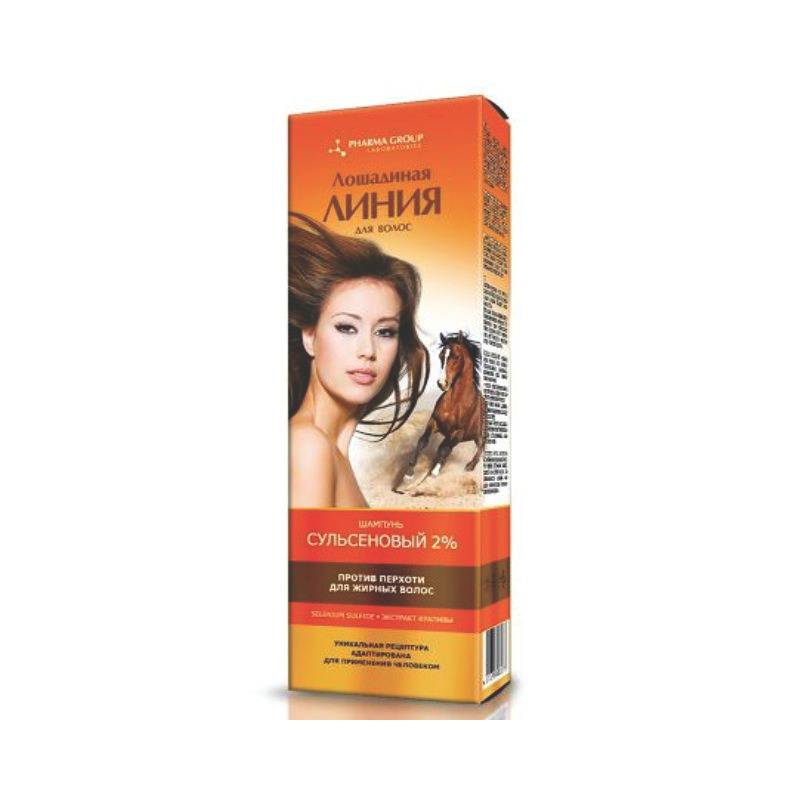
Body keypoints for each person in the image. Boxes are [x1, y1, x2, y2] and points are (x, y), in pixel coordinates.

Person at [289, 213, 429, 507]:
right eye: (346, 327)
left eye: (385, 331)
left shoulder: (331, 450)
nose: (368, 350)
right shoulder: (308, 447)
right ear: (310, 337)